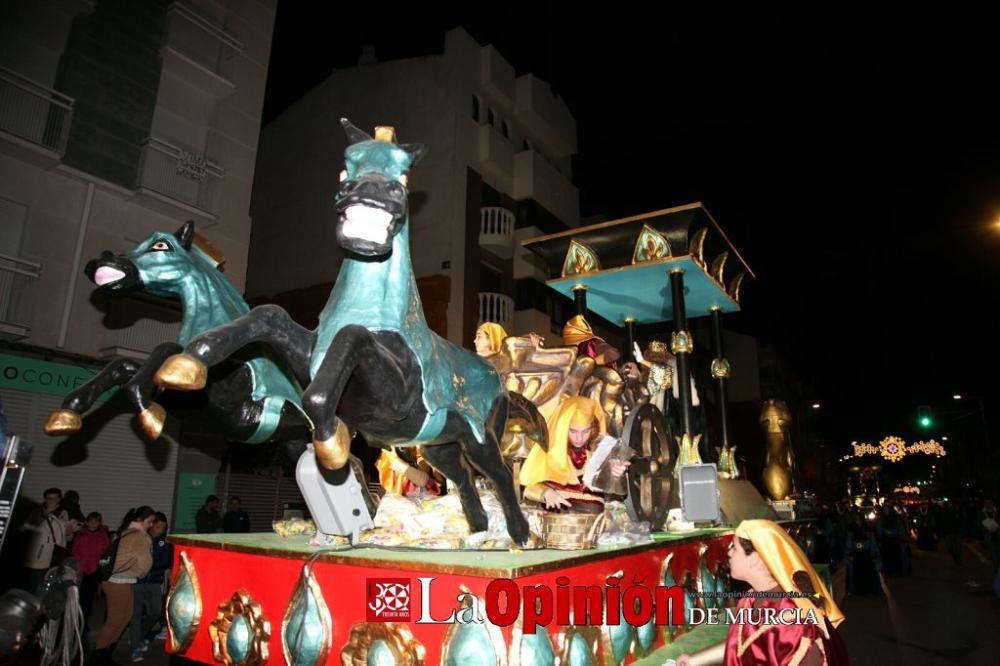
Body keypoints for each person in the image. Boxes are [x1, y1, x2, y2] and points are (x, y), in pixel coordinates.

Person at [678, 519, 848, 665]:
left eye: (735, 548)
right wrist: (695, 659)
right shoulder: (751, 598)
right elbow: (745, 643)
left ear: (755, 558)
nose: (729, 553)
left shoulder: (793, 620)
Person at [519, 397, 630, 513]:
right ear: (563, 428)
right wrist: (545, 492)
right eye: (573, 431)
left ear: (593, 429)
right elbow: (528, 487)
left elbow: (613, 491)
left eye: (585, 431)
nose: (580, 438)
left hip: (594, 524)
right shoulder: (549, 453)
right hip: (559, 523)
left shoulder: (595, 455)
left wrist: (612, 472)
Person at [94, 507, 155, 666]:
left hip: (118, 580)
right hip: (118, 582)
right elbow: (144, 563)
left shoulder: (127, 531)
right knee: (115, 620)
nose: (151, 525)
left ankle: (105, 654)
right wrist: (140, 573)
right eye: (150, 521)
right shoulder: (141, 536)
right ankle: (97, 657)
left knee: (125, 616)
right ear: (142, 520)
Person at [129, 513, 173, 661]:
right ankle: (136, 647)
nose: (160, 530)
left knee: (155, 612)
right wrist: (147, 565)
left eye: (163, 527)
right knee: (136, 614)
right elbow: (134, 559)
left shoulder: (165, 542)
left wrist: (148, 565)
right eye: (157, 526)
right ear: (151, 525)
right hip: (138, 581)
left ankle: (140, 636)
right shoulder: (141, 538)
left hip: (154, 582)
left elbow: (165, 561)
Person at [21, 487, 75, 594]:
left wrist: (69, 532)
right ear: (45, 499)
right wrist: (45, 515)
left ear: (60, 499)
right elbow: (27, 527)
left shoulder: (63, 514)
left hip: (55, 558)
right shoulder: (37, 512)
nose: (52, 501)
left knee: (49, 591)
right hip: (38, 559)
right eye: (49, 498)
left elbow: (67, 537)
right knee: (35, 589)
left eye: (55, 498)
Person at [71, 511, 110, 629]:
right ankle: (76, 620)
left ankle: (84, 621)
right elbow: (74, 551)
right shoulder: (80, 535)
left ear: (99, 523)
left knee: (88, 600)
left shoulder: (102, 536)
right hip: (80, 570)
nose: (93, 525)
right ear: (86, 522)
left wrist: (100, 563)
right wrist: (78, 565)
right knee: (79, 597)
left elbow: (105, 552)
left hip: (94, 571)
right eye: (91, 522)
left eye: (96, 522)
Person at [375, 448, 442, 496]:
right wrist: (428, 481)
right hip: (399, 493)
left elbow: (419, 455)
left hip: (420, 488)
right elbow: (398, 465)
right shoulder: (388, 452)